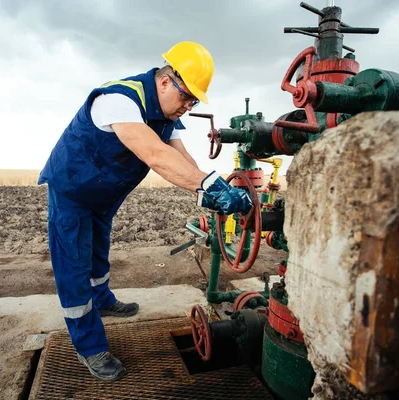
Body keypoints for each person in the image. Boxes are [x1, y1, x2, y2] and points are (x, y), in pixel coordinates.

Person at [37, 41, 253, 381]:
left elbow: (183, 160)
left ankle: (103, 300)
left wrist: (212, 191)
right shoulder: (119, 100)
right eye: (186, 96)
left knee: (97, 254)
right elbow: (155, 154)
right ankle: (89, 347)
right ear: (166, 81)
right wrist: (207, 185)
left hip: (103, 195)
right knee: (74, 267)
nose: (188, 106)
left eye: (194, 101)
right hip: (73, 189)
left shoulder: (168, 116)